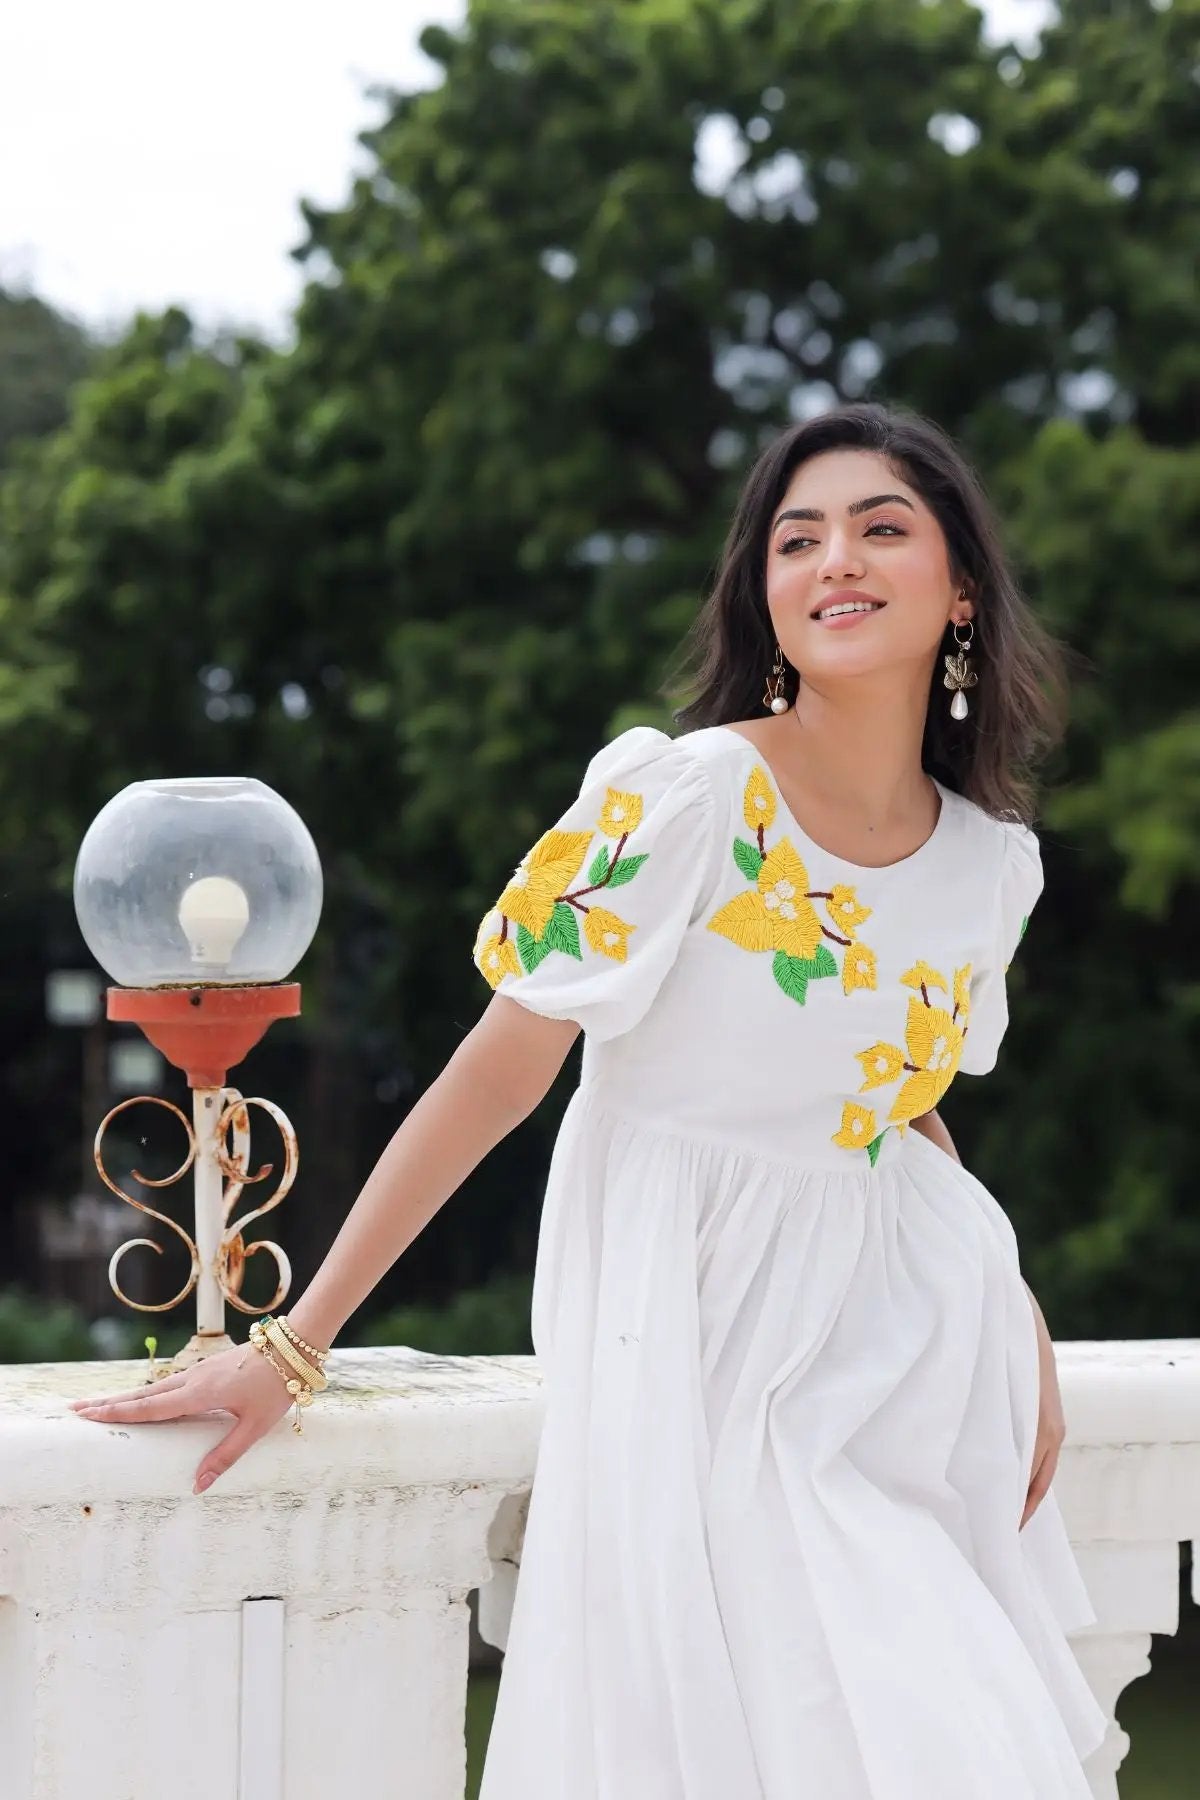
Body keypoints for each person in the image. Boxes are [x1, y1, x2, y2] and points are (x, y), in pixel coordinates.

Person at [72, 402, 1109, 1796]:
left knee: (943, 1732)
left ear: (962, 588)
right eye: (796, 538)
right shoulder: (684, 798)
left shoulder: (990, 865)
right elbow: (501, 1069)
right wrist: (295, 1342)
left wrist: (1016, 1314)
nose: (833, 560)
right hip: (688, 1323)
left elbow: (901, 1097)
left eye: (881, 528)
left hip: (903, 1347)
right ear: (765, 592)